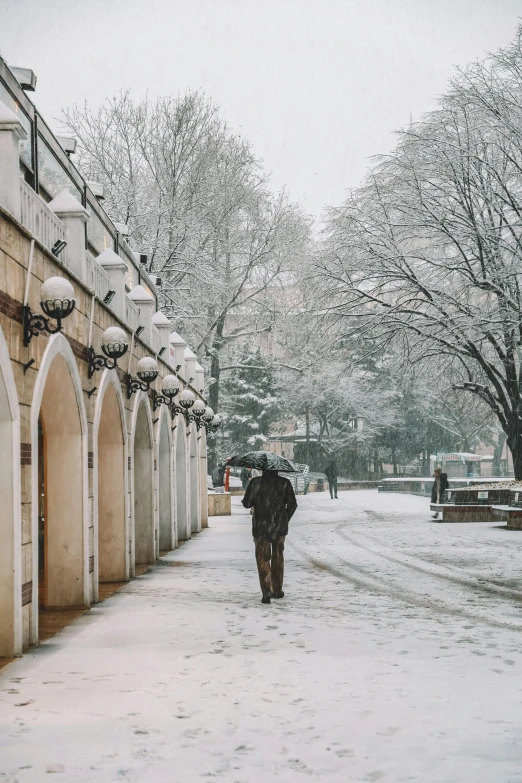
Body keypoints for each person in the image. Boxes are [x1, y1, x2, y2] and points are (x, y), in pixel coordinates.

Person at [242, 469, 298, 604]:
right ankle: (277, 590)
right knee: (278, 557)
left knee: (262, 559)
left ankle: (266, 590)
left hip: (261, 527)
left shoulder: (256, 483)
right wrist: (284, 518)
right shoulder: (284, 483)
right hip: (279, 528)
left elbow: (247, 503)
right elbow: (292, 505)